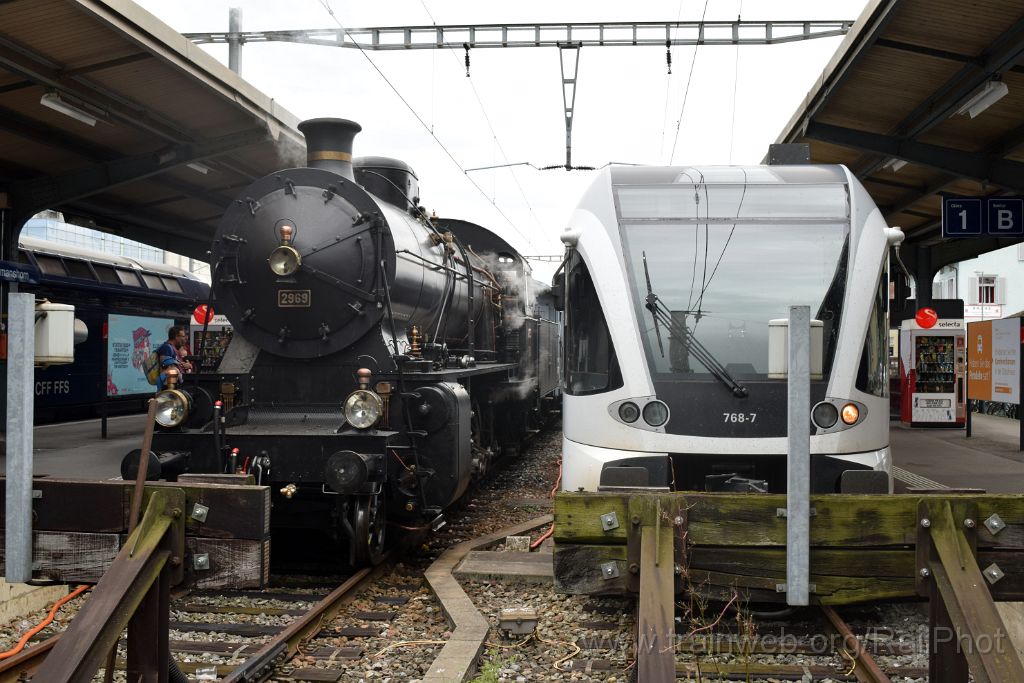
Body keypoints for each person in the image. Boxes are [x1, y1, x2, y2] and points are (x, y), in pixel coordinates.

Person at [156, 326, 189, 391]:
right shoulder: (166, 347)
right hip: (168, 386)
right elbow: (165, 365)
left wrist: (184, 365)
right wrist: (181, 365)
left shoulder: (172, 348)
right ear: (176, 336)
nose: (184, 338)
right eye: (183, 336)